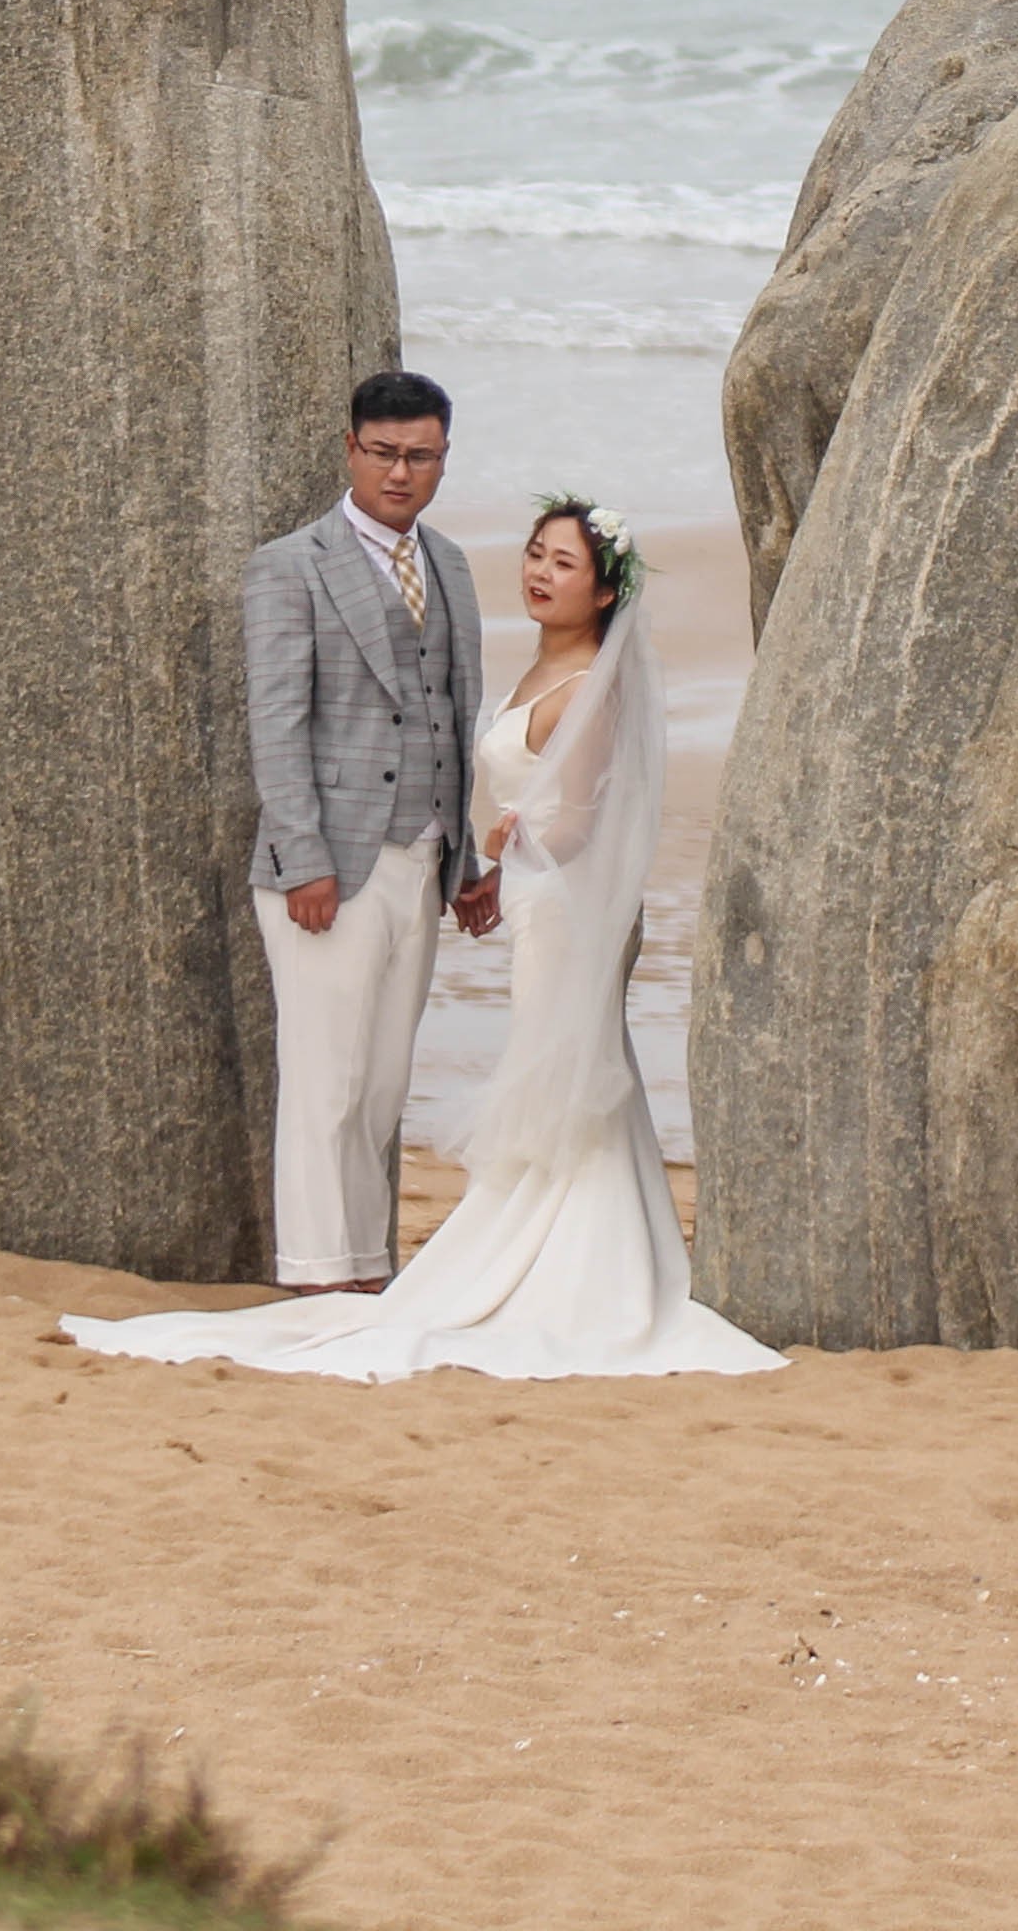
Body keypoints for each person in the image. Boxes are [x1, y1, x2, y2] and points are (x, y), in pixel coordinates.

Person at [69, 493, 780, 1383]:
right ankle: (542, 1245)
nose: (539, 573)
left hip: (557, 910)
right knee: (561, 1070)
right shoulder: (536, 671)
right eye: (534, 554)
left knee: (565, 1071)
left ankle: (576, 1260)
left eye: (565, 564)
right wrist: (489, 865)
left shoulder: (594, 682)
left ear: (604, 593)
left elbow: (588, 817)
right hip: (526, 900)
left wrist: (509, 843)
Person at [220, 369, 499, 1294]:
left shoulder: (450, 565)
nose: (400, 473)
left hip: (420, 857)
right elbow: (275, 723)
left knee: (380, 1085)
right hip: (327, 866)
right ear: (351, 450)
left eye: (420, 456)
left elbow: (458, 716)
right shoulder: (289, 564)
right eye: (383, 453)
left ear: (443, 459)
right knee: (324, 1080)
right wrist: (303, 859)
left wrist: (461, 857)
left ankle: (368, 1265)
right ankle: (311, 1271)